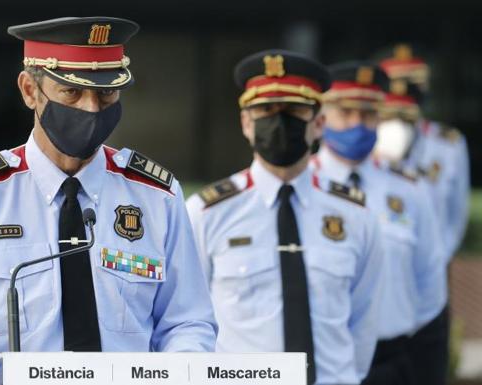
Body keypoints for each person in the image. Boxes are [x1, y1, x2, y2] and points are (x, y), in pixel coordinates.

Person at [0, 16, 217, 385]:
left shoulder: (156, 197)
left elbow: (188, 321)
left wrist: (176, 369)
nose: (91, 109)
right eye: (71, 92)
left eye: (106, 94)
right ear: (29, 90)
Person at [186, 49, 384, 385]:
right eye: (265, 110)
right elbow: (190, 321)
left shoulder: (356, 214)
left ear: (318, 123)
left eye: (293, 110)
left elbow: (363, 324)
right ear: (246, 123)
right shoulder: (207, 213)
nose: (279, 122)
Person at [310, 62, 447, 385]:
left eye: (369, 114)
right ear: (323, 116)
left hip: (393, 362)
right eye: (347, 112)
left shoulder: (409, 189)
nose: (358, 123)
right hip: (321, 362)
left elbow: (430, 284)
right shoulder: (302, 185)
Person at [378, 44, 469, 385]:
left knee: (428, 352)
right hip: (384, 262)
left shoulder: (447, 143)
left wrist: (435, 257)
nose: (404, 91)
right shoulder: (372, 142)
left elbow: (455, 213)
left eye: (412, 83)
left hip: (432, 263)